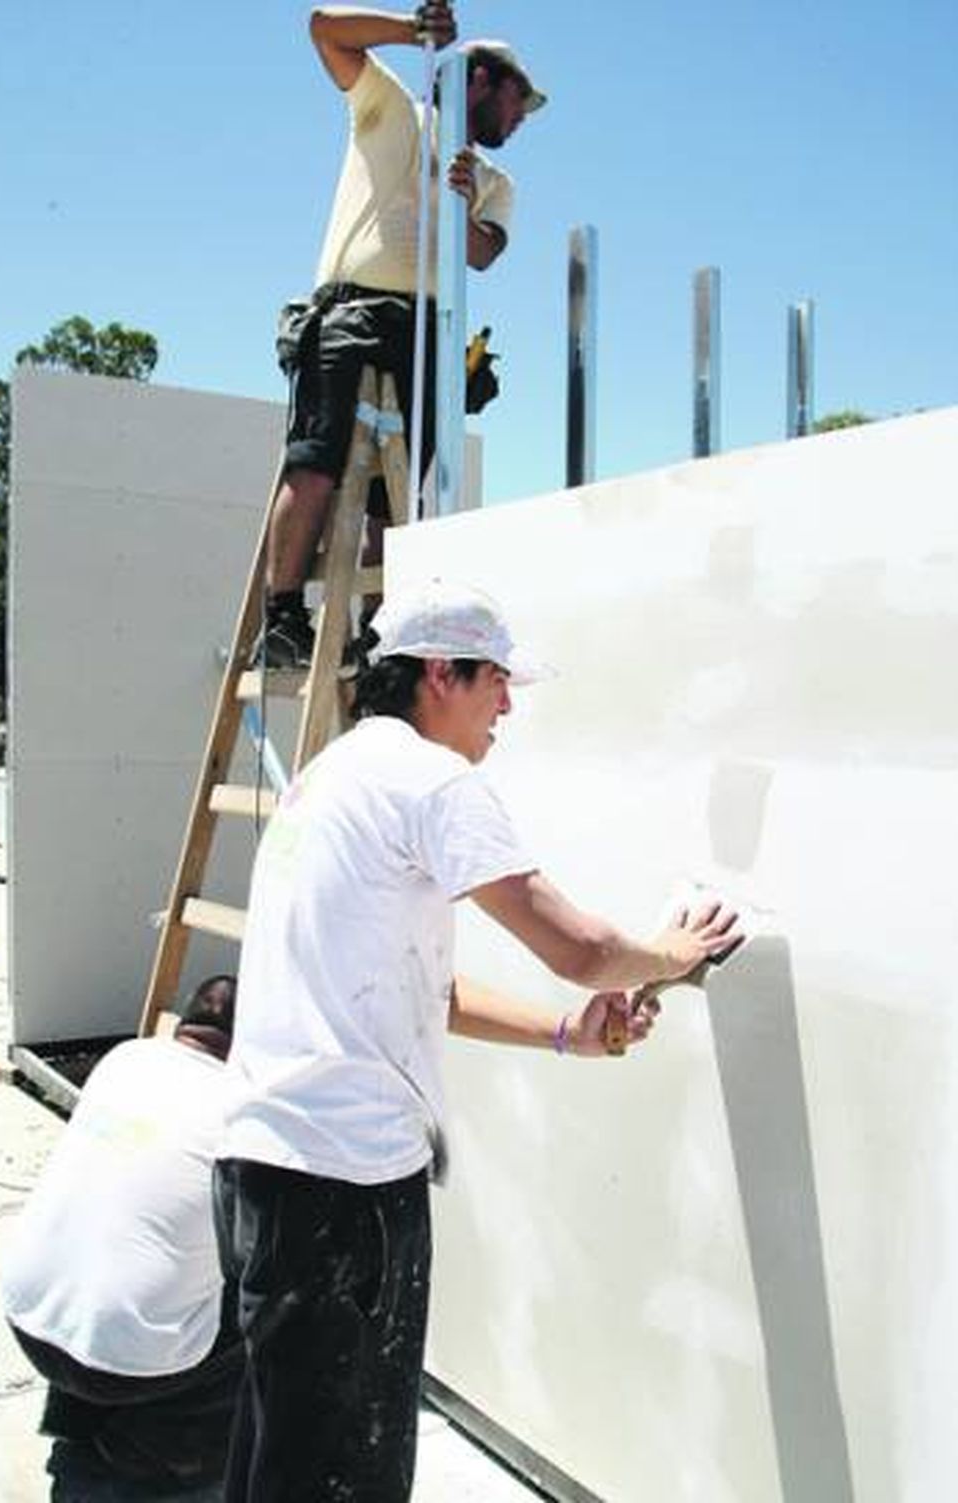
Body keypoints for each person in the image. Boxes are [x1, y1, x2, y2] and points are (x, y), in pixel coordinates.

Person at [215, 580, 740, 1502]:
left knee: (281, 1460)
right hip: (342, 1193)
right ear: (439, 673)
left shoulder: (332, 777)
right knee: (340, 1477)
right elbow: (582, 949)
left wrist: (569, 1033)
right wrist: (673, 952)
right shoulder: (432, 781)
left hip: (265, 1176)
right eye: (496, 679)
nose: (508, 705)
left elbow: (428, 992)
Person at [256, 2, 546, 669]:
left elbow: (482, 254)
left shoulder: (495, 183)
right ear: (481, 80)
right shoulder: (391, 107)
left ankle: (378, 630)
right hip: (350, 311)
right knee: (316, 461)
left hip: (426, 329)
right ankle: (283, 618)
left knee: (397, 496)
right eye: (518, 100)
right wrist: (413, 31)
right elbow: (325, 28)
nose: (521, 117)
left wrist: (460, 204)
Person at [3, 976, 242, 1501]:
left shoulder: (127, 1059)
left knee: (126, 1260)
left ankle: (83, 1445)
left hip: (30, 1319)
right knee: (270, 1306)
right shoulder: (243, 1112)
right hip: (130, 1364)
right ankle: (177, 1473)